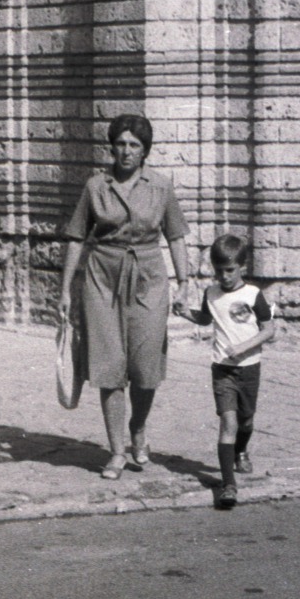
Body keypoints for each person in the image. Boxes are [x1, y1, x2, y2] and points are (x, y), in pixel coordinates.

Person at [58, 113, 191, 480]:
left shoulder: (161, 187)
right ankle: (117, 450)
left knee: (146, 368)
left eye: (134, 145)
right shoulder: (95, 186)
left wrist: (185, 283)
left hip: (148, 277)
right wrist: (66, 290)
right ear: (111, 147)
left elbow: (176, 236)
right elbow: (75, 238)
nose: (126, 151)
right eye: (120, 144)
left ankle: (138, 429)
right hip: (102, 276)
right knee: (108, 365)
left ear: (145, 150)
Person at [174, 233, 277, 510]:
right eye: (219, 271)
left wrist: (244, 347)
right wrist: (186, 313)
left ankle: (241, 449)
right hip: (222, 369)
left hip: (248, 369)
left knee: (246, 421)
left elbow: (269, 329)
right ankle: (228, 485)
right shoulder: (211, 293)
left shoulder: (253, 295)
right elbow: (207, 318)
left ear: (241, 266)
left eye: (229, 270)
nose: (224, 276)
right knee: (228, 423)